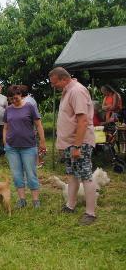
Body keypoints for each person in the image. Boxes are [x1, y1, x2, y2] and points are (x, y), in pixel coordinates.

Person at [49, 67, 97, 225]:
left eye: (54, 82)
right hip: (70, 144)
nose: (53, 86)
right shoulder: (67, 91)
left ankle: (90, 213)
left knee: (86, 177)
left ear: (63, 79)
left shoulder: (77, 91)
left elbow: (83, 120)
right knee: (72, 176)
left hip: (79, 143)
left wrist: (77, 146)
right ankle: (70, 205)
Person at [3, 85, 46, 209]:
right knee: (16, 174)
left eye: (15, 98)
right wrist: (5, 142)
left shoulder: (29, 107)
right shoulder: (8, 109)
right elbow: (5, 127)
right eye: (11, 99)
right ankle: (22, 200)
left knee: (31, 173)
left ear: (21, 95)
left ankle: (35, 200)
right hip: (12, 148)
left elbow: (38, 125)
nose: (14, 101)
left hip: (28, 146)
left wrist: (42, 141)